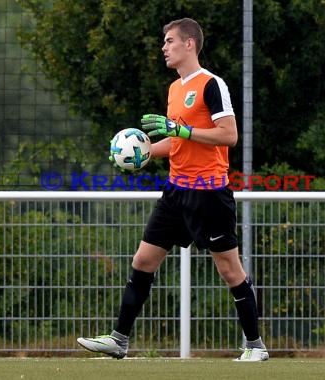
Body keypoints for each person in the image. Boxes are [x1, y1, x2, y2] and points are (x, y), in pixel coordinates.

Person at [77, 17, 268, 362]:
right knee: (143, 260)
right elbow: (178, 141)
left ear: (189, 43)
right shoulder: (174, 88)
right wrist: (145, 150)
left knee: (229, 269)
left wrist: (180, 131)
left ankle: (255, 346)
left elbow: (228, 136)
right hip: (176, 192)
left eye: (169, 41)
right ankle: (119, 340)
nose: (164, 47)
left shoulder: (212, 85)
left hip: (209, 194)